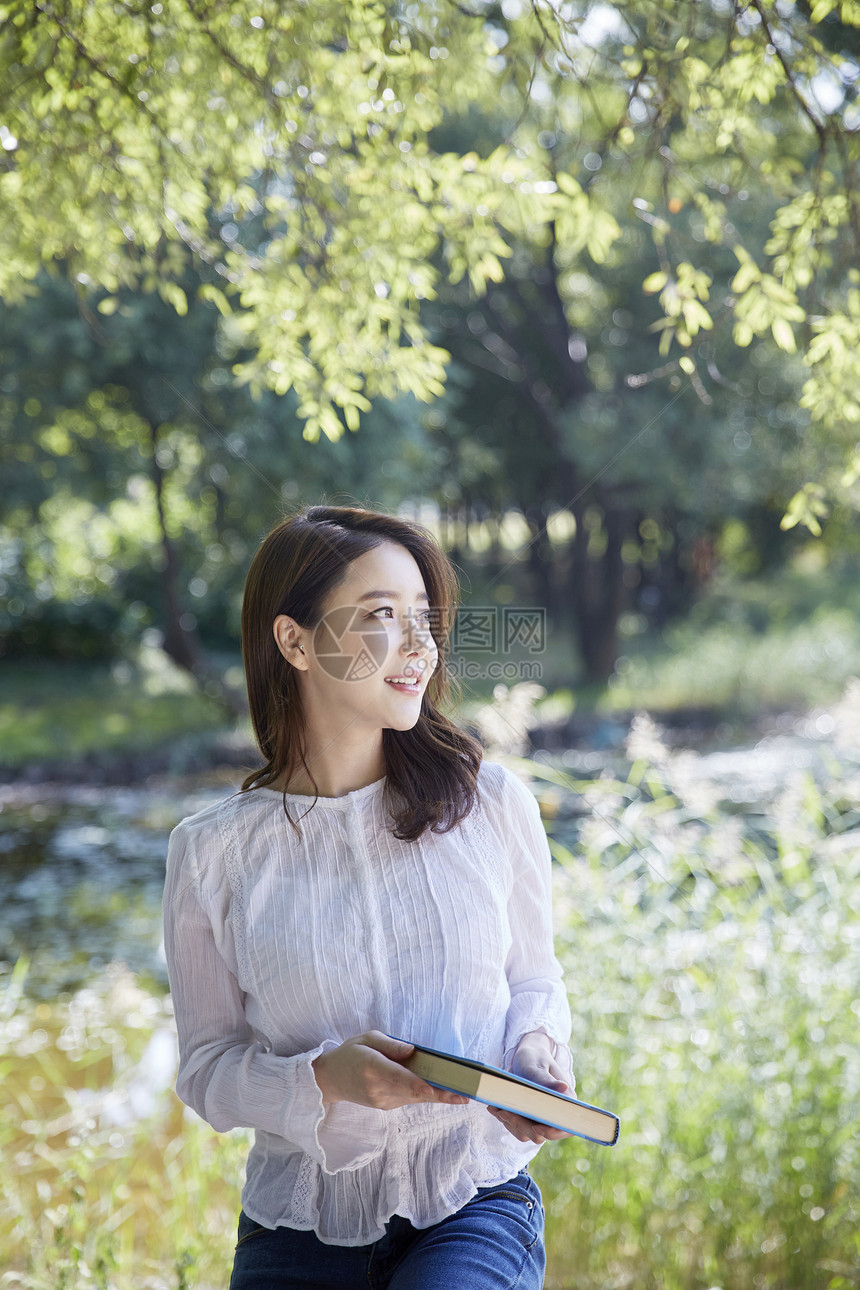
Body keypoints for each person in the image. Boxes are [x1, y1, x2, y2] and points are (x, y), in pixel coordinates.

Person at [162, 503, 575, 1290]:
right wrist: (322, 1080)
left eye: (424, 617)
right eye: (383, 616)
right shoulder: (212, 853)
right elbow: (207, 1071)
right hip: (299, 1224)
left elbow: (534, 981)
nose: (421, 646)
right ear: (295, 641)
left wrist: (535, 1061)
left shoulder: (490, 804)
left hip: (474, 1197)